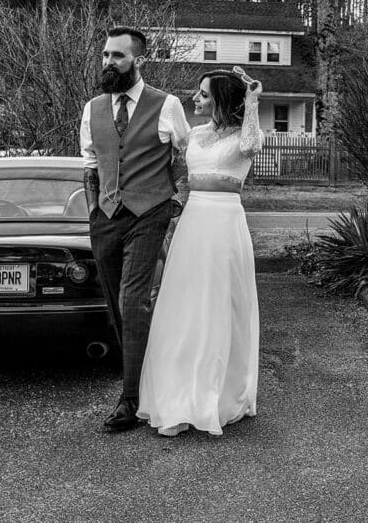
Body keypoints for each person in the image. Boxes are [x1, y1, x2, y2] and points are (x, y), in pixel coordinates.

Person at [136, 67, 264, 437]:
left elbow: (252, 146)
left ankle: (215, 396)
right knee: (184, 306)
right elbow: (171, 167)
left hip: (224, 225)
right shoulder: (193, 134)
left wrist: (253, 102)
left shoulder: (245, 135)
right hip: (192, 223)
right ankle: (177, 399)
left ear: (223, 99)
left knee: (219, 306)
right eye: (198, 92)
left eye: (205, 94)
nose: (196, 98)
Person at [80, 26, 190, 433]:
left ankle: (130, 399)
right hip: (106, 217)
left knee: (132, 300)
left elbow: (186, 156)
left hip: (150, 213)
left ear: (137, 60)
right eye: (106, 55)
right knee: (115, 305)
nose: (109, 62)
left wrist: (174, 200)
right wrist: (94, 212)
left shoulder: (167, 104)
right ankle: (144, 380)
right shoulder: (93, 109)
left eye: (118, 56)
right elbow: (90, 166)